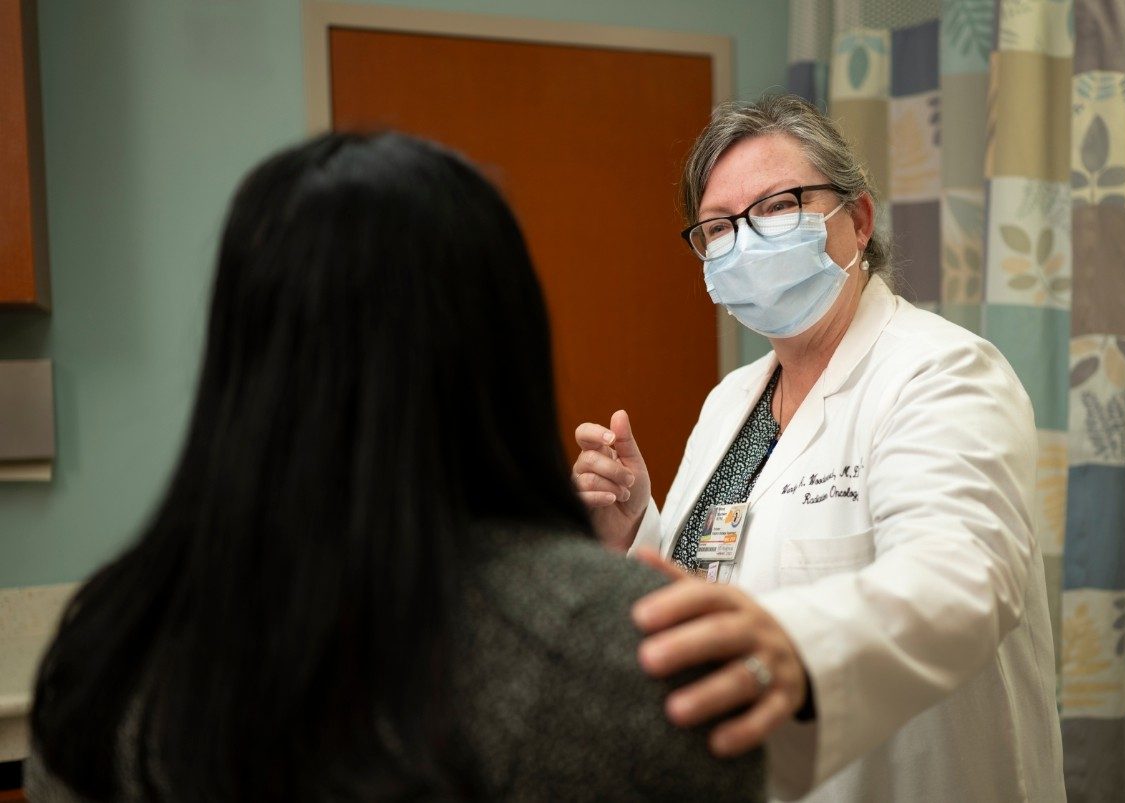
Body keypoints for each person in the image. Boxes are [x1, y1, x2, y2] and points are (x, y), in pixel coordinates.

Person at [26, 132, 764, 802]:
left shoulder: (106, 649)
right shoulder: (609, 653)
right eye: (722, 223)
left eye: (773, 208)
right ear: (501, 346)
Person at [573, 94, 1066, 801]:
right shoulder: (731, 402)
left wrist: (800, 648)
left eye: (777, 206)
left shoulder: (942, 374)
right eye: (718, 227)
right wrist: (636, 529)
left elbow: (961, 578)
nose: (745, 241)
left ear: (858, 221)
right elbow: (711, 581)